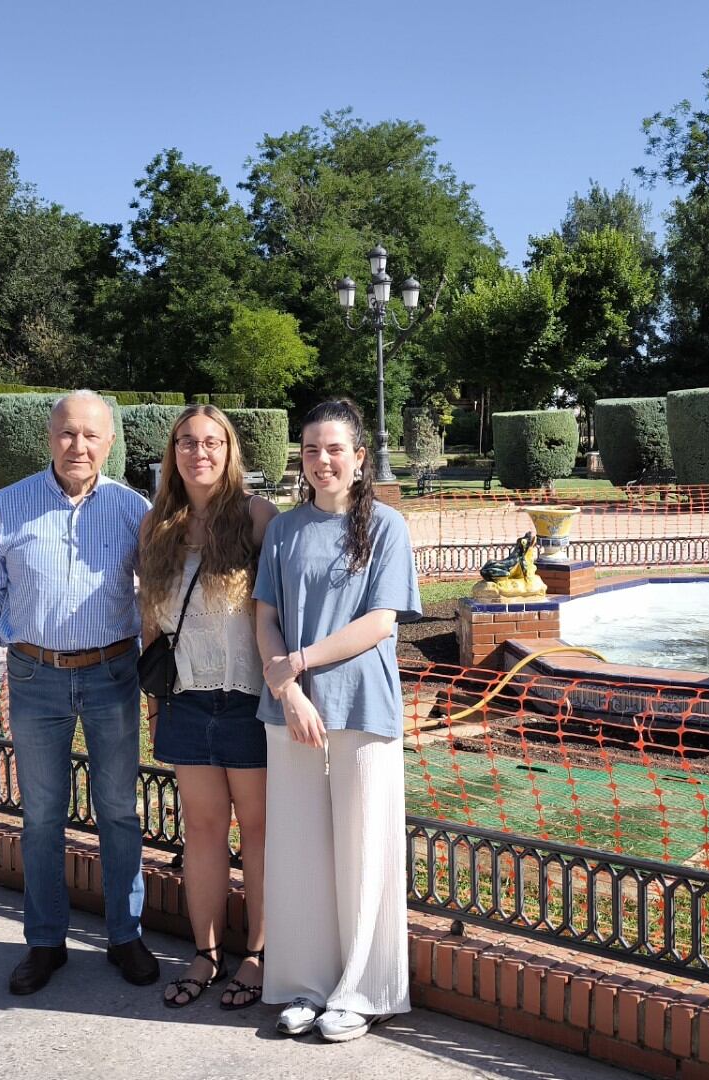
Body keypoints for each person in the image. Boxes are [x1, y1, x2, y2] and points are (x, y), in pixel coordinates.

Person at [0, 390, 159, 996]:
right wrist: (23, 641)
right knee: (43, 814)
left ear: (110, 442)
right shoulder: (7, 505)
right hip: (35, 677)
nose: (79, 446)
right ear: (50, 438)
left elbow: (154, 592)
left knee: (119, 810)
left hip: (111, 673)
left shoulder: (134, 509)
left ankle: (125, 934)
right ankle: (44, 941)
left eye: (92, 436)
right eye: (68, 434)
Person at [255, 399, 423, 1044]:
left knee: (363, 849)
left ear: (359, 459)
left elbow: (380, 621)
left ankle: (363, 989)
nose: (321, 460)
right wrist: (289, 688)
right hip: (290, 711)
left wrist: (297, 662)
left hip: (362, 707)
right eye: (310, 449)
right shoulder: (285, 529)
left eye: (334, 450)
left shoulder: (386, 526)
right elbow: (265, 614)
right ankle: (304, 986)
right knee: (299, 853)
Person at [138, 405, 277, 1009]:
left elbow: (282, 606)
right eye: (188, 442)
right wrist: (155, 701)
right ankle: (207, 951)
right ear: (173, 452)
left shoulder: (255, 517)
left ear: (229, 451)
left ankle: (260, 954)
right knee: (201, 831)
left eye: (212, 442)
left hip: (248, 700)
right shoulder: (156, 526)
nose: (200, 452)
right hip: (187, 701)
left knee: (261, 833)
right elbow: (150, 620)